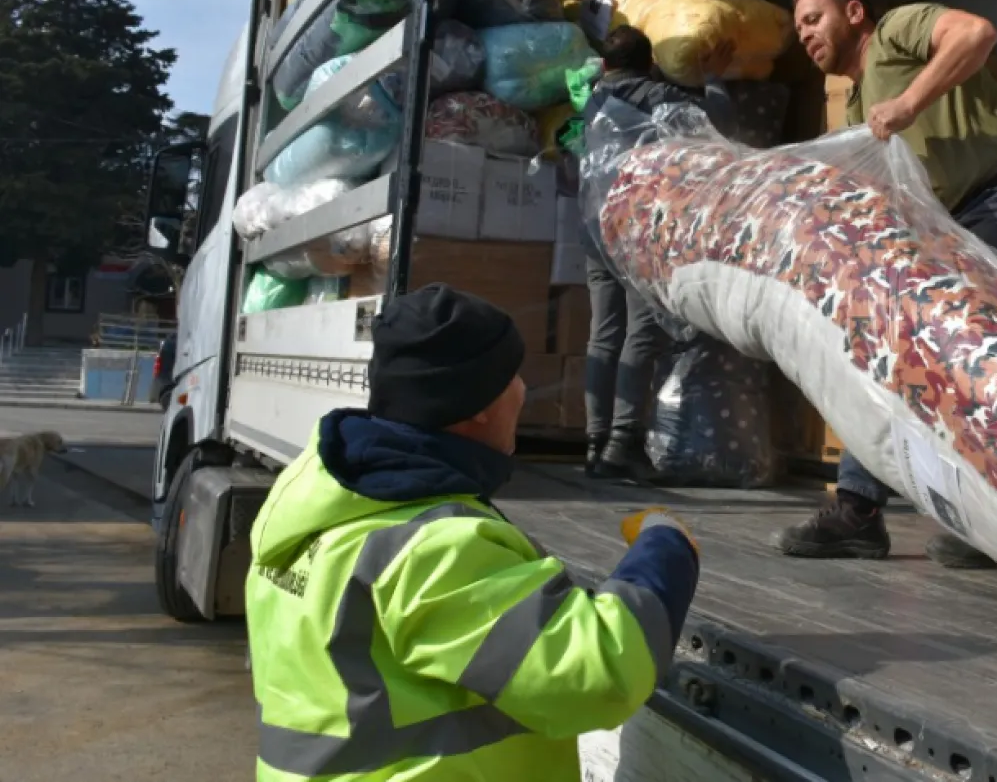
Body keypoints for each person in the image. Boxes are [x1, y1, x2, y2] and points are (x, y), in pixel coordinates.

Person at [246, 284, 700, 780]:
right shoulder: (433, 548)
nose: (525, 390)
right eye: (512, 376)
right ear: (479, 404)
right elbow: (593, 675)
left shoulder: (311, 507)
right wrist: (664, 548)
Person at [779, 0, 997, 569]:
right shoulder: (856, 108)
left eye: (812, 18)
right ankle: (858, 510)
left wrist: (910, 103)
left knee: (986, 354)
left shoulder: (895, 31)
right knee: (889, 342)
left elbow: (976, 34)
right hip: (948, 222)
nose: (804, 34)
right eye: (798, 26)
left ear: (854, 12)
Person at [579, 25, 732, 479]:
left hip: (593, 228)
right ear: (649, 63)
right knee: (640, 332)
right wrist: (713, 78)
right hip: (637, 230)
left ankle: (594, 441)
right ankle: (621, 444)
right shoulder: (657, 95)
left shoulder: (591, 100)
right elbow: (714, 123)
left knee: (603, 333)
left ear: (605, 65)